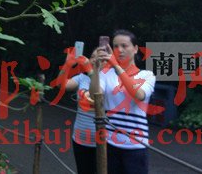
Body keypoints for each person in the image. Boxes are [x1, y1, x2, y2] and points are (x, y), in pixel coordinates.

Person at [90, 30, 155, 174]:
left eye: (124, 46)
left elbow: (139, 95)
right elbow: (95, 96)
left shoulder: (147, 75)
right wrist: (96, 68)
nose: (119, 50)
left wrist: (116, 66)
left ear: (135, 49)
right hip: (109, 142)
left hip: (136, 145)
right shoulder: (106, 74)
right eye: (115, 46)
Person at [58, 48, 97, 174]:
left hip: (103, 140)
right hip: (80, 137)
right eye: (93, 56)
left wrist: (90, 71)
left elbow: (98, 94)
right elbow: (61, 85)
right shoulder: (82, 78)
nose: (95, 59)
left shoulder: (111, 80)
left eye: (99, 57)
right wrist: (67, 64)